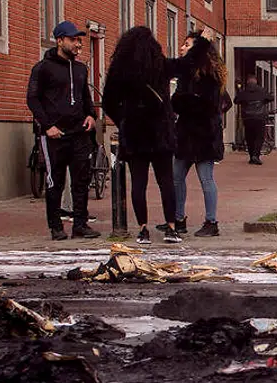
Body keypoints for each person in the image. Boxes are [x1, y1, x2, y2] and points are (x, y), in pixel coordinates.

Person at [100, 25, 196, 244]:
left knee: (138, 182)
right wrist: (203, 44)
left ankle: (143, 229)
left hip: (135, 132)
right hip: (160, 130)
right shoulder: (159, 65)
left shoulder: (119, 69)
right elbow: (185, 65)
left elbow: (108, 102)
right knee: (166, 181)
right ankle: (171, 227)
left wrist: (123, 120)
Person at [27, 21, 99, 240]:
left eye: (79, 40)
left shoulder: (80, 69)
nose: (78, 44)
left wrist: (91, 115)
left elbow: (86, 98)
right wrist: (47, 126)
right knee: (55, 181)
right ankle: (56, 226)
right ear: (60, 41)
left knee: (81, 180)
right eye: (73, 40)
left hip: (79, 133)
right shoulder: (43, 68)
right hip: (54, 135)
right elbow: (32, 99)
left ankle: (80, 224)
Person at [171, 32, 232, 238]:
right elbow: (177, 101)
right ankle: (178, 219)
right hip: (186, 133)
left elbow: (206, 104)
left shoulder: (210, 74)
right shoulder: (186, 73)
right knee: (176, 177)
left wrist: (186, 101)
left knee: (206, 178)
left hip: (204, 134)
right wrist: (186, 101)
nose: (181, 48)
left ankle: (211, 221)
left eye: (186, 45)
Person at [235, 76, 276, 165]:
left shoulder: (244, 92)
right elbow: (271, 98)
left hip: (247, 118)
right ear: (256, 82)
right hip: (259, 118)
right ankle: (256, 155)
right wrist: (264, 101)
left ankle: (251, 156)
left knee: (249, 138)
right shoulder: (261, 91)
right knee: (259, 137)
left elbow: (236, 101)